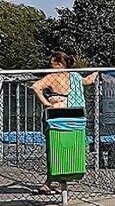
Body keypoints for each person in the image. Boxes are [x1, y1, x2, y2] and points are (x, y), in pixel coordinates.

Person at [29, 53, 97, 194]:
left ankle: (51, 182)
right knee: (69, 150)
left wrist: (46, 103)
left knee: (54, 150)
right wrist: (98, 72)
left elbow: (35, 87)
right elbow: (88, 81)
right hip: (74, 117)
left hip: (56, 117)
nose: (50, 66)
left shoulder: (52, 77)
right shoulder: (75, 77)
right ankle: (60, 182)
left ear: (60, 64)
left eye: (52, 63)